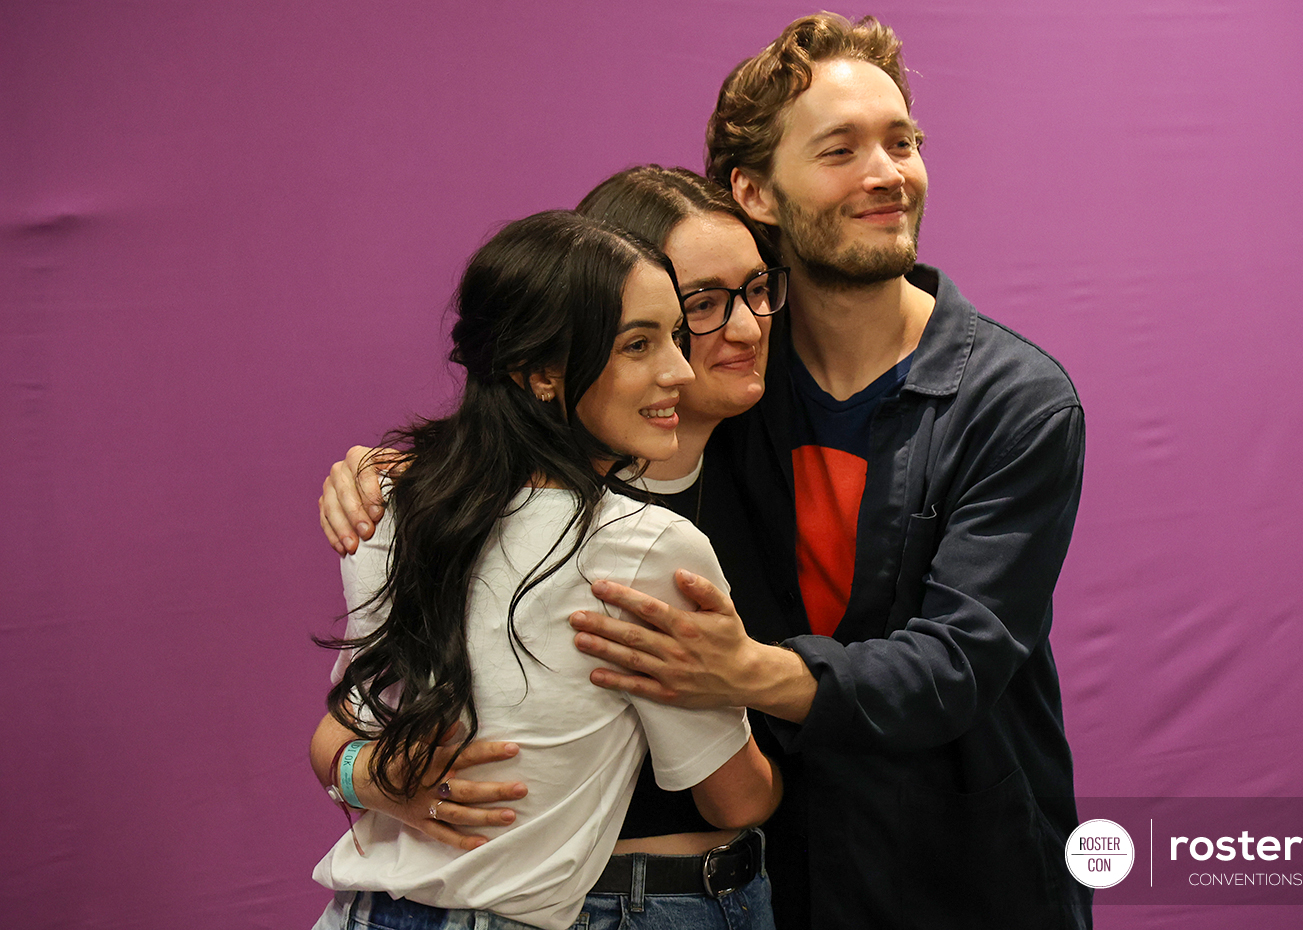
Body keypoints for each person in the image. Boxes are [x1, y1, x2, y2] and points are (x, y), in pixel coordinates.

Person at [322, 13, 1091, 928]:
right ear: (755, 191)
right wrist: (396, 470)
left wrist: (746, 671)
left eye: (903, 142)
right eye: (841, 149)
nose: (888, 173)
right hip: (762, 876)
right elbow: (536, 407)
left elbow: (954, 666)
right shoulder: (726, 396)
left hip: (959, 865)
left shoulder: (1016, 401)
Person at [310, 210, 780, 930]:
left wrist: (365, 777)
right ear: (540, 375)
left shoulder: (389, 504)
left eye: (675, 338)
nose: (678, 370)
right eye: (638, 344)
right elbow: (736, 801)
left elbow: (343, 739)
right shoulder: (650, 549)